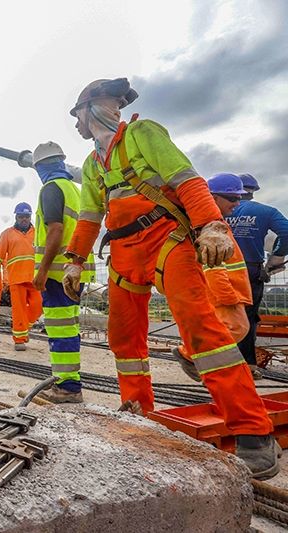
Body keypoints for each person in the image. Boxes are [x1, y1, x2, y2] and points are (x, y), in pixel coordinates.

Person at [63, 77, 278, 478]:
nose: (75, 123)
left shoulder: (142, 133)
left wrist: (211, 224)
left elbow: (185, 178)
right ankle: (139, 412)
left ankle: (253, 431)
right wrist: (75, 258)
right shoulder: (94, 164)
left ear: (89, 108)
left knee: (201, 329)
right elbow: (91, 215)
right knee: (124, 337)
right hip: (125, 251)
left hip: (167, 238)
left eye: (76, 113)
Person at [30, 142, 96, 403]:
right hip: (74, 272)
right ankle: (69, 383)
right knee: (68, 328)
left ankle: (67, 387)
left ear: (40, 167)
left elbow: (55, 231)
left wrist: (43, 270)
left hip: (57, 274)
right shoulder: (74, 190)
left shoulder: (50, 189)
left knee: (59, 329)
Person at [173, 173, 253, 379]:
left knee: (226, 329)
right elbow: (213, 266)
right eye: (232, 198)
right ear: (213, 198)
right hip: (226, 293)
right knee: (237, 328)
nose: (237, 203)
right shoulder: (211, 228)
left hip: (229, 291)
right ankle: (190, 355)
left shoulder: (215, 225)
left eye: (239, 198)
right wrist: (228, 296)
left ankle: (201, 360)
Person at [225, 173, 288, 377]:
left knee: (218, 316)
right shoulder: (266, 211)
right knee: (248, 318)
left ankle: (213, 365)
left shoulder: (218, 209)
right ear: (253, 192)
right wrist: (276, 258)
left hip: (218, 270)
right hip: (251, 272)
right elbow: (286, 233)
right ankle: (247, 366)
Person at [0, 202, 43, 350]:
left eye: (26, 216)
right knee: (18, 310)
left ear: (30, 216)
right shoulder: (7, 234)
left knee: (38, 306)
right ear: (16, 216)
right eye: (21, 216)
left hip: (35, 278)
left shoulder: (39, 232)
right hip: (16, 279)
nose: (24, 219)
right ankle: (19, 339)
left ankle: (24, 329)